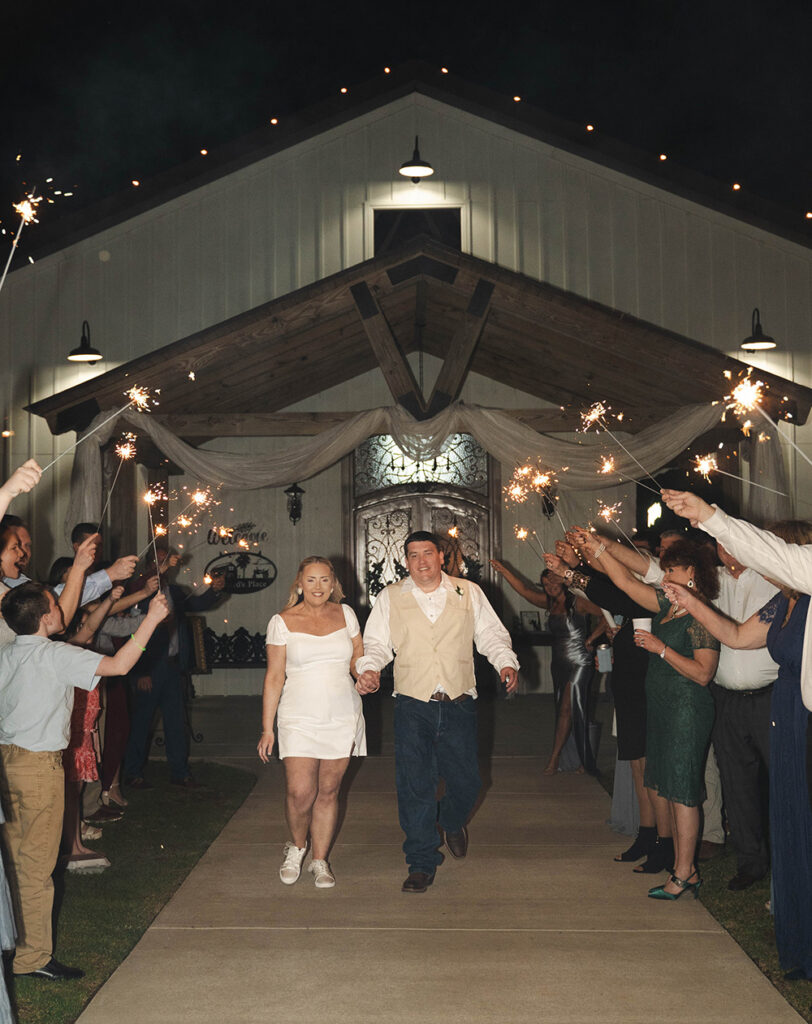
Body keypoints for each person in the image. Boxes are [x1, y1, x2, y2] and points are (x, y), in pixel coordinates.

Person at [662, 489, 812, 979]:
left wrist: (708, 516)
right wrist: (687, 598)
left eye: (770, 554)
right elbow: (733, 634)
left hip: (801, 713)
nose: (760, 564)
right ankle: (793, 920)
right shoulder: (782, 605)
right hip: (785, 713)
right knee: (787, 812)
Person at [0, 582, 168, 981]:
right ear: (45, 619)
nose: (62, 608)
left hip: (6, 762)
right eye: (56, 605)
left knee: (12, 860)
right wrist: (153, 621)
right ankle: (31, 959)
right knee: (37, 865)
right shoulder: (55, 655)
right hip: (38, 767)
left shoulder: (7, 653)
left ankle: (15, 946)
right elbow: (120, 665)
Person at [357, 532, 519, 893]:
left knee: (468, 782)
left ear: (441, 556)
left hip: (459, 702)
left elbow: (492, 634)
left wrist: (505, 663)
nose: (421, 561)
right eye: (413, 555)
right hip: (413, 704)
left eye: (427, 553)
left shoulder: (468, 592)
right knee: (415, 786)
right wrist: (369, 669)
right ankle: (421, 862)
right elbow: (377, 644)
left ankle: (451, 820)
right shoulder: (391, 597)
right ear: (407, 561)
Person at [568, 527, 720, 899]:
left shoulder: (702, 616)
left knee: (683, 791)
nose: (664, 578)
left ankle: (685, 872)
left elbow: (703, 673)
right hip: (662, 707)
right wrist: (595, 548)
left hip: (686, 709)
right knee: (664, 787)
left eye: (671, 572)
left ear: (692, 575)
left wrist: (659, 649)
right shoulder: (667, 608)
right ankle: (680, 864)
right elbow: (621, 579)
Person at [258, 556, 372, 888]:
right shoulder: (281, 621)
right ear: (299, 583)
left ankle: (319, 860)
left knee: (329, 790)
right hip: (298, 715)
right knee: (299, 792)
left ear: (334, 583)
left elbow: (357, 659)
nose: (318, 587)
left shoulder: (346, 614)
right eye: (311, 580)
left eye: (324, 580)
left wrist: (365, 676)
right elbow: (274, 677)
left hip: (341, 712)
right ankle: (297, 846)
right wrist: (267, 728)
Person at [544, 539, 656, 864]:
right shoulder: (629, 593)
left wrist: (571, 570)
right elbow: (602, 590)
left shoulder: (649, 594)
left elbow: (608, 590)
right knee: (636, 762)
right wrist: (573, 569)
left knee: (648, 766)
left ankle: (660, 838)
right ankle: (646, 834)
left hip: (647, 682)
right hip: (628, 681)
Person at [490, 558, 604, 774]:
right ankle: (581, 759)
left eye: (553, 583)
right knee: (568, 710)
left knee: (568, 709)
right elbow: (524, 590)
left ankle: (555, 759)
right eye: (546, 585)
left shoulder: (578, 602)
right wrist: (504, 570)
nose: (550, 588)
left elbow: (606, 615)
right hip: (559, 662)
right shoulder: (549, 603)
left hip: (580, 661)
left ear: (562, 580)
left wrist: (592, 639)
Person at [123, 547, 224, 788]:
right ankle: (132, 771)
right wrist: (141, 672)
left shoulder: (173, 591)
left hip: (171, 667)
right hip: (150, 667)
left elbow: (197, 603)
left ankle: (180, 771)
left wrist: (215, 590)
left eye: (166, 562)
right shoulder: (141, 593)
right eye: (159, 563)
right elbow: (133, 634)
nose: (165, 566)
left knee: (175, 721)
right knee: (141, 721)